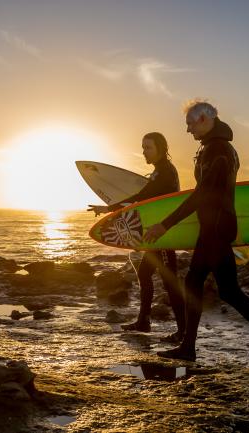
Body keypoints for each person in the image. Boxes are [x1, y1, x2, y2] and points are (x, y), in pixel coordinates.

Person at [143, 100, 249, 365]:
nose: (188, 130)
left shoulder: (219, 150)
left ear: (204, 119)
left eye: (190, 124)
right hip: (215, 228)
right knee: (217, 288)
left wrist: (165, 225)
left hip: (215, 229)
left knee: (219, 289)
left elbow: (203, 194)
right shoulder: (214, 147)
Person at [89, 132, 185, 342]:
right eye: (143, 148)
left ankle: (183, 332)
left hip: (163, 235)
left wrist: (108, 209)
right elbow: (141, 198)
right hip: (155, 235)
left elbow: (139, 199)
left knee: (170, 283)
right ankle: (144, 321)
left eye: (148, 147)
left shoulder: (165, 172)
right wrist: (109, 209)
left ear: (161, 148)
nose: (144, 152)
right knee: (144, 274)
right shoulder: (158, 172)